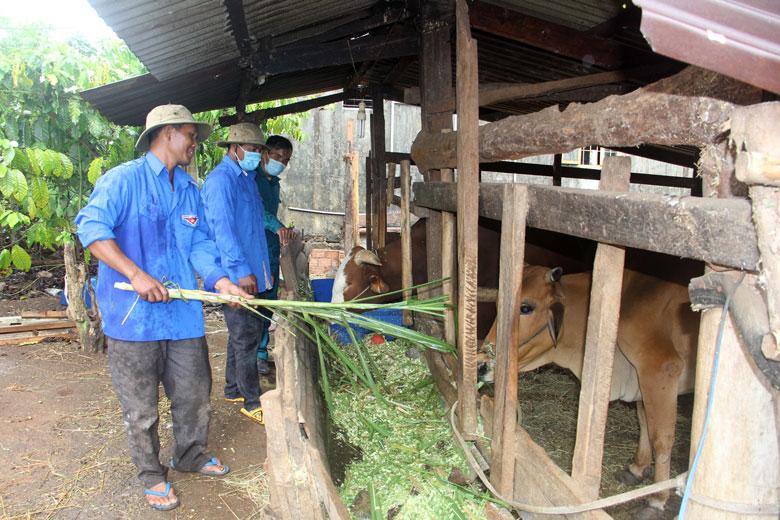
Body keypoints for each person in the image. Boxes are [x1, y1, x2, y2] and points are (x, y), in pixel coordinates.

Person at [75, 104, 251, 512]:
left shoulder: (190, 188)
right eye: (191, 135)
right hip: (134, 320)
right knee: (140, 408)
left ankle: (188, 455)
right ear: (167, 133)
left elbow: (202, 244)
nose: (195, 143)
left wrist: (221, 281)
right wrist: (135, 274)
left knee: (194, 395)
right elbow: (91, 229)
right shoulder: (123, 180)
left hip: (182, 317)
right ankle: (152, 474)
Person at [200, 123, 273, 425]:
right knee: (245, 337)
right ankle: (251, 400)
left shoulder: (248, 179)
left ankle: (232, 388)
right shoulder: (220, 182)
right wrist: (241, 271)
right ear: (234, 148)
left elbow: (252, 228)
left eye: (258, 150)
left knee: (243, 334)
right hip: (234, 276)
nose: (256, 155)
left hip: (253, 270)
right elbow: (223, 231)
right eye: (252, 149)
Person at [254, 135, 294, 374]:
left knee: (268, 300)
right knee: (255, 301)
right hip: (255, 246)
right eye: (277, 156)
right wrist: (278, 226)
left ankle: (262, 350)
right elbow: (258, 211)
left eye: (286, 160)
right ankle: (254, 353)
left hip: (271, 248)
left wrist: (282, 232)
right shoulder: (252, 180)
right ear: (265, 154)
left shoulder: (274, 183)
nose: (281, 162)